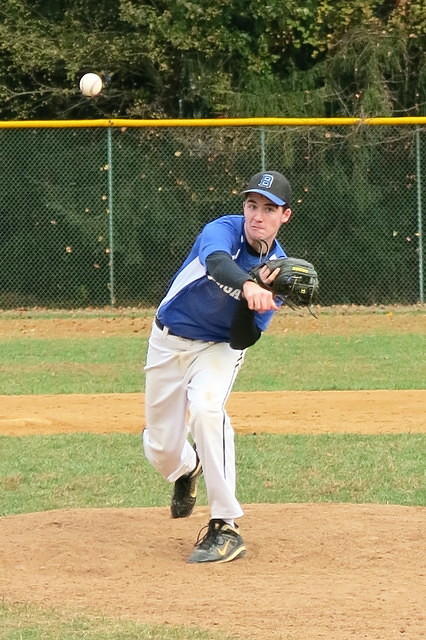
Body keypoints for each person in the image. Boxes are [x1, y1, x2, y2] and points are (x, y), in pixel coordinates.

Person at [142, 170, 293, 564]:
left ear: (285, 216)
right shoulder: (223, 230)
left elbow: (243, 338)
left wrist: (254, 299)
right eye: (251, 205)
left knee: (209, 411)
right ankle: (187, 470)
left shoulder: (279, 271)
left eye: (268, 208)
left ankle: (225, 526)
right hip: (168, 339)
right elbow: (215, 262)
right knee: (160, 448)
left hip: (219, 349)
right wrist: (248, 286)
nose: (257, 215)